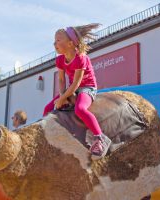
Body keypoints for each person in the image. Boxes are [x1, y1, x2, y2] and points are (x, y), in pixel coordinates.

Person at [43, 23, 111, 159]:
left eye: (58, 40)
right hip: (71, 89)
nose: (54, 43)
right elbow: (61, 80)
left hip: (87, 87)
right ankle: (48, 138)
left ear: (70, 43)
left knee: (80, 109)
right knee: (47, 109)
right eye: (54, 41)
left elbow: (77, 82)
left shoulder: (81, 58)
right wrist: (62, 96)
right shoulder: (60, 60)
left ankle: (100, 138)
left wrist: (63, 99)